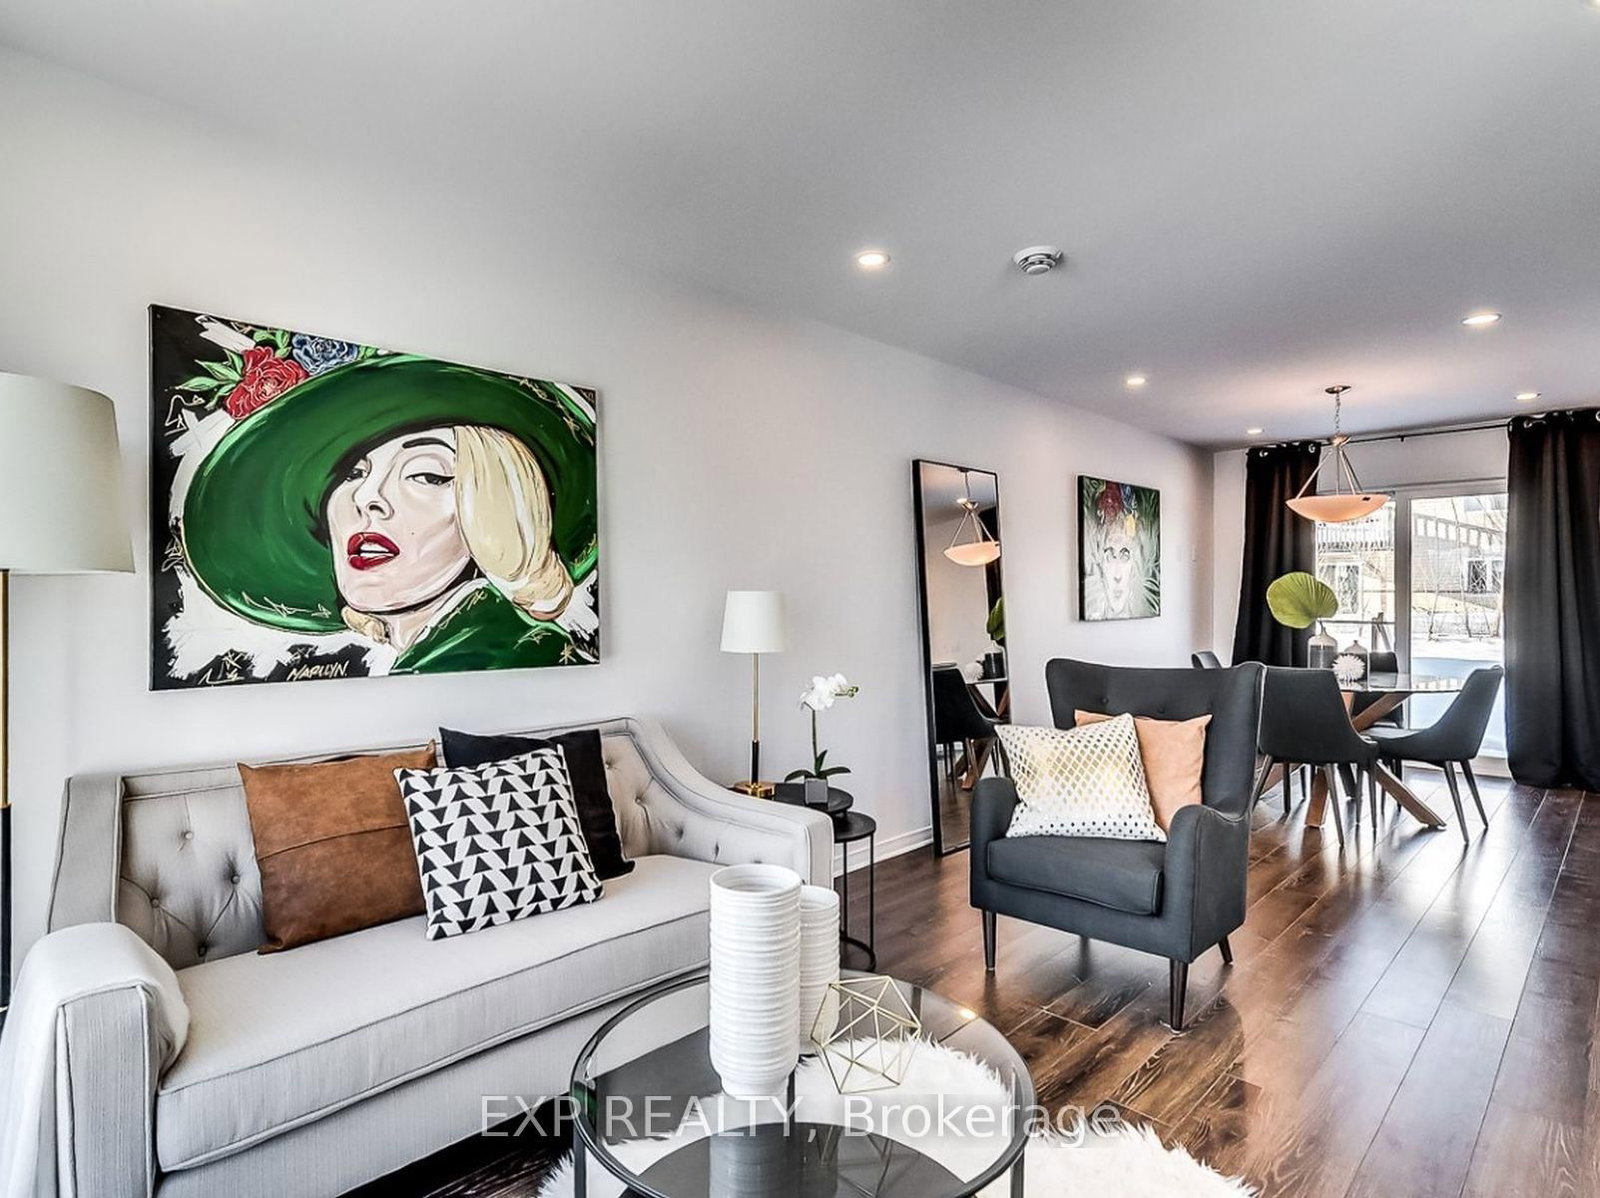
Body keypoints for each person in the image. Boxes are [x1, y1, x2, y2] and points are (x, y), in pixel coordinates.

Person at [178, 353, 599, 678]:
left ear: (497, 512)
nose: (367, 497)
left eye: (426, 474)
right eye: (351, 473)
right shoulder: (435, 661)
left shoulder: (515, 655)